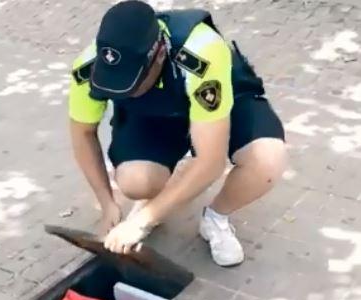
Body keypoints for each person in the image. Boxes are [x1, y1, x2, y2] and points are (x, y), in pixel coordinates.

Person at [68, 0, 286, 266]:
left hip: (223, 99)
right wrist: (107, 203)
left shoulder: (202, 54)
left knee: (266, 160)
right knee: (136, 181)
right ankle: (159, 199)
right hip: (157, 112)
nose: (124, 91)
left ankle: (215, 218)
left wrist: (140, 221)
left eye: (132, 82)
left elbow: (211, 161)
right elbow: (82, 134)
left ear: (159, 54)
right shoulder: (88, 66)